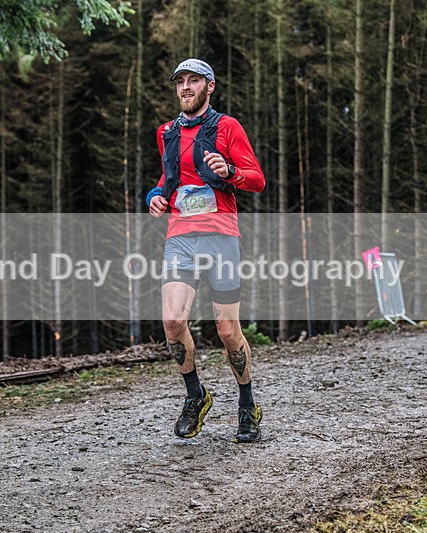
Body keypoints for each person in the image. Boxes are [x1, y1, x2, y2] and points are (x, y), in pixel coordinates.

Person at [146, 58, 265, 442]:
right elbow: (169, 179)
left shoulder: (227, 127)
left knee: (227, 330)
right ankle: (195, 395)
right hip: (180, 237)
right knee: (172, 320)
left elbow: (257, 180)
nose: (185, 87)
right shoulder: (166, 132)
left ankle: (247, 404)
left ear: (209, 86)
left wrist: (230, 172)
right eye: (180, 81)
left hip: (221, 237)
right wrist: (155, 196)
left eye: (194, 80)